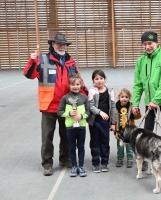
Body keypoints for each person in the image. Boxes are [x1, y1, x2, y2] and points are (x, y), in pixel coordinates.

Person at [23, 33, 88, 176]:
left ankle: (65, 159)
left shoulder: (71, 62)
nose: (61, 46)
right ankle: (47, 164)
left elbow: (79, 81)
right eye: (58, 44)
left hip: (67, 106)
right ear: (52, 45)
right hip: (49, 106)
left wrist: (87, 94)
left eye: (63, 44)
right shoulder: (42, 60)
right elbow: (29, 75)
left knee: (66, 135)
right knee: (47, 136)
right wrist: (32, 60)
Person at [131, 31, 161, 171]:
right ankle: (146, 158)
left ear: (157, 43)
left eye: (150, 43)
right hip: (149, 102)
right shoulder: (140, 61)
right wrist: (136, 103)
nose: (147, 46)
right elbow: (138, 83)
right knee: (147, 130)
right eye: (144, 44)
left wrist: (156, 99)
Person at [57, 73, 90, 177]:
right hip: (70, 128)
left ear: (80, 85)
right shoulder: (65, 98)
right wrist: (69, 114)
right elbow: (59, 112)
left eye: (77, 84)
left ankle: (81, 166)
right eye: (73, 85)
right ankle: (74, 166)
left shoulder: (84, 98)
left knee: (81, 147)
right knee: (71, 147)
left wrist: (81, 116)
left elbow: (88, 112)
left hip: (81, 127)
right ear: (69, 86)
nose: (75, 86)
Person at [87, 69, 116, 173]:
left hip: (105, 123)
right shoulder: (92, 91)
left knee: (105, 142)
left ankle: (104, 162)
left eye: (101, 78)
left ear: (104, 79)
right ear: (93, 81)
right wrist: (100, 112)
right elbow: (90, 106)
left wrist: (113, 123)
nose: (99, 81)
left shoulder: (110, 91)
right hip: (94, 122)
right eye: (96, 79)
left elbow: (113, 107)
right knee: (95, 142)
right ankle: (95, 163)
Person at [114, 88, 141, 168]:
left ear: (129, 98)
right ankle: (120, 158)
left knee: (129, 146)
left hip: (130, 132)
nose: (124, 99)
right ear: (119, 97)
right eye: (122, 97)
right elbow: (113, 117)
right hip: (119, 131)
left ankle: (130, 159)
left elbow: (137, 117)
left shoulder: (131, 106)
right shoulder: (115, 106)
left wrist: (137, 112)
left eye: (126, 97)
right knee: (120, 146)